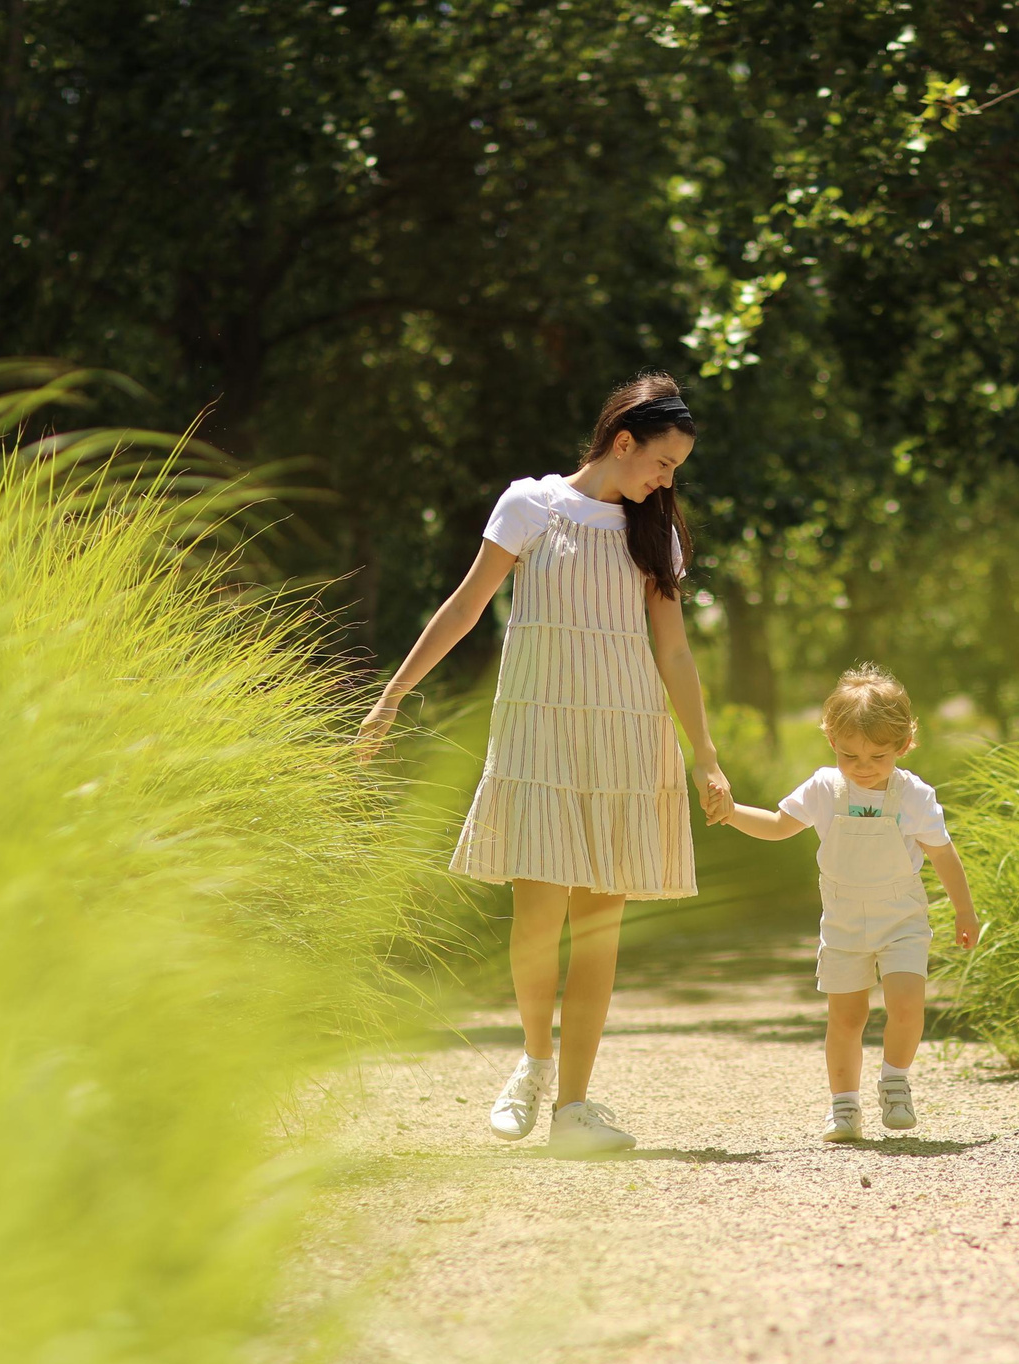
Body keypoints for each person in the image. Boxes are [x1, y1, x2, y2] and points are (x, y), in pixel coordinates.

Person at [357, 374, 733, 1155]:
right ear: (623, 441)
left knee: (599, 932)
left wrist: (706, 757)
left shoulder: (652, 531)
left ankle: (574, 1108)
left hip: (625, 739)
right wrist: (394, 694)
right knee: (537, 922)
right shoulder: (531, 506)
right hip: (540, 738)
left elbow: (673, 650)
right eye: (663, 463)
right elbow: (465, 605)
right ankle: (532, 1062)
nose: (667, 481)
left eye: (676, 471)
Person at [723, 666, 980, 1141]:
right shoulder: (825, 788)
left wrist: (965, 911)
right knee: (846, 1017)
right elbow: (779, 826)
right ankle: (843, 1107)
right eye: (850, 754)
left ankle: (895, 1082)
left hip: (901, 915)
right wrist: (731, 812)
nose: (863, 766)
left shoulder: (914, 796)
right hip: (843, 920)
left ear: (904, 745)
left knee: (907, 1004)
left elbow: (943, 853)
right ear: (831, 742)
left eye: (878, 755)